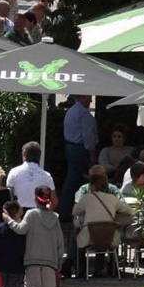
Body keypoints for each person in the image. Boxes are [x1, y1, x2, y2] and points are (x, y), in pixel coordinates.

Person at [7, 188, 63, 287]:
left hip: (32, 257)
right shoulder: (55, 217)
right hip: (50, 260)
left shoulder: (31, 214)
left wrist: (8, 220)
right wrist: (59, 259)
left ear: (35, 199)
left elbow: (20, 229)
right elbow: (60, 241)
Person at [58, 96, 97, 225]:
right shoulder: (84, 114)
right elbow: (88, 135)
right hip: (80, 150)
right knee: (82, 180)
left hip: (70, 148)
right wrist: (92, 155)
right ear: (82, 97)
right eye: (89, 98)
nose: (91, 101)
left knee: (72, 179)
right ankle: (73, 212)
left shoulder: (71, 111)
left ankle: (66, 210)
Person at [6, 143, 54, 214]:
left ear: (24, 155)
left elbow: (8, 196)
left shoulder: (13, 172)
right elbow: (54, 200)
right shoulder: (46, 175)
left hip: (18, 213)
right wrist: (46, 212)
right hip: (39, 213)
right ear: (39, 156)